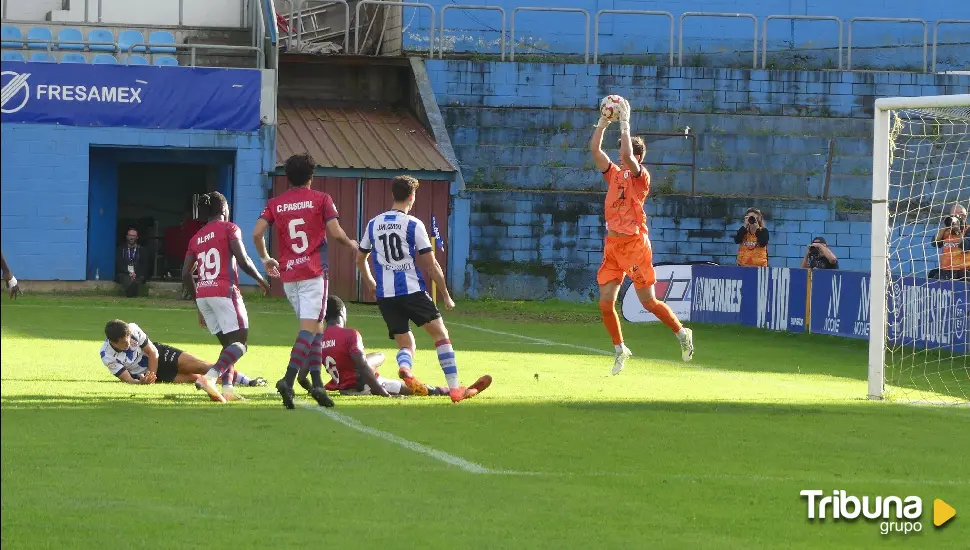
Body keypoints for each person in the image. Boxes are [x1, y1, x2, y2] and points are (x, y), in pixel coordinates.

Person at [356, 175, 492, 403]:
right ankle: (455, 389)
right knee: (441, 336)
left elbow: (360, 258)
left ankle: (406, 369)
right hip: (412, 291)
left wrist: (370, 283)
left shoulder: (373, 224)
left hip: (386, 296)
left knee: (406, 342)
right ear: (412, 196)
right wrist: (447, 296)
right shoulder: (413, 224)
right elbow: (431, 265)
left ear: (393, 195)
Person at [589, 96, 694, 375]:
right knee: (605, 303)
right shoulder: (613, 175)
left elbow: (625, 156)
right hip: (613, 245)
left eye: (627, 155)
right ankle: (620, 348)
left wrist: (624, 122)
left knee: (648, 302)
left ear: (636, 158)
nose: (622, 158)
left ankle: (682, 333)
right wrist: (602, 122)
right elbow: (595, 150)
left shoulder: (640, 176)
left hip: (635, 245)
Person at [252, 152, 360, 410]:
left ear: (288, 178)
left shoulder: (276, 203)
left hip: (289, 275)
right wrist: (351, 244)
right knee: (310, 329)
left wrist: (266, 258)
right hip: (313, 273)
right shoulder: (321, 199)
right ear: (311, 176)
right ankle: (288, 379)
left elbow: (257, 233)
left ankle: (317, 384)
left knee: (315, 329)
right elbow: (335, 232)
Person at [183, 192, 271, 401]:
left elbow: (186, 274)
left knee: (228, 347)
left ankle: (228, 390)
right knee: (241, 344)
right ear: (224, 209)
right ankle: (210, 378)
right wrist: (262, 280)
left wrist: (199, 305)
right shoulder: (230, 228)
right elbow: (243, 259)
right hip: (224, 291)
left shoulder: (196, 238)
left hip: (204, 294)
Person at [297, 296, 452, 397]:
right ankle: (441, 390)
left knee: (376, 356)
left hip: (343, 385)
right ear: (342, 312)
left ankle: (439, 390)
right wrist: (383, 393)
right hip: (363, 385)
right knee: (412, 389)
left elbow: (302, 377)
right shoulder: (350, 334)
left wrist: (313, 390)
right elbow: (363, 367)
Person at [100, 320, 266, 402]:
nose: (128, 343)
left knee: (202, 366)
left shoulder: (133, 329)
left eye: (129, 338)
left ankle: (248, 381)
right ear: (113, 342)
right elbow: (127, 378)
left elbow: (152, 352)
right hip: (149, 375)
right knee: (195, 378)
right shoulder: (107, 355)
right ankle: (233, 385)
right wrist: (143, 383)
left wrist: (152, 373)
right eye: (123, 342)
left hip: (159, 356)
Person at [930, 204, 968, 281]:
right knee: (932, 274)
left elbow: (965, 246)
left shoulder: (968, 230)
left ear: (964, 216)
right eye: (952, 215)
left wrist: (958, 231)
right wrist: (945, 226)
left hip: (963, 272)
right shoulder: (946, 231)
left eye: (957, 216)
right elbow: (934, 243)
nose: (954, 218)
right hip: (946, 271)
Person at [115, 228, 151, 298]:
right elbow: (119, 264)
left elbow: (144, 265)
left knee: (136, 281)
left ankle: (131, 296)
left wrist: (135, 273)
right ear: (127, 236)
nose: (131, 237)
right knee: (128, 280)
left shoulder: (142, 250)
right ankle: (132, 296)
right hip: (124, 274)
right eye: (130, 235)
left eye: (134, 236)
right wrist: (129, 272)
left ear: (137, 237)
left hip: (138, 275)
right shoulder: (120, 249)